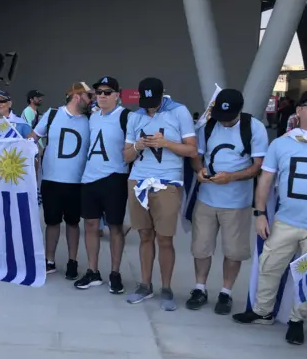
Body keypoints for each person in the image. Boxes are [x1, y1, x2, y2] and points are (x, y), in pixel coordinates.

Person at [233, 89, 307, 345]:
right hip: (286, 221)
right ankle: (261, 311)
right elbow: (266, 180)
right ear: (299, 110)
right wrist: (259, 214)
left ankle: (296, 320)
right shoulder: (281, 144)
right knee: (270, 267)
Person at [187, 89, 268, 314]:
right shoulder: (209, 125)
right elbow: (197, 155)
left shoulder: (254, 128)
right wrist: (199, 171)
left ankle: (226, 292)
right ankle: (199, 288)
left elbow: (258, 166)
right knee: (201, 247)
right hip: (206, 198)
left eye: (229, 118)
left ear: (239, 111)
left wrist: (231, 177)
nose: (224, 122)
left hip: (237, 201)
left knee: (233, 251)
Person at [123, 77, 197, 311]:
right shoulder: (135, 116)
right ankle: (145, 285)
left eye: (153, 101)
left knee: (165, 238)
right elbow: (125, 156)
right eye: (145, 101)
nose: (149, 106)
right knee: (145, 235)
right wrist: (137, 147)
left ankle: (166, 288)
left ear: (162, 95)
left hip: (167, 181)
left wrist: (166, 143)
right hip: (138, 180)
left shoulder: (179, 112)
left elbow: (192, 149)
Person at [30, 82, 91, 279]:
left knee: (73, 222)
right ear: (76, 96)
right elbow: (34, 136)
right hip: (51, 179)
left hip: (77, 181)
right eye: (88, 96)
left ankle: (72, 260)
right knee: (52, 222)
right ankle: (49, 260)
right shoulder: (53, 114)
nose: (92, 100)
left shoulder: (91, 119)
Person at [77, 76, 130, 293]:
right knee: (90, 225)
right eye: (99, 92)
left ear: (117, 95)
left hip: (114, 177)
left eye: (107, 92)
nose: (102, 96)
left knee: (115, 226)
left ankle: (115, 273)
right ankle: (92, 271)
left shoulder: (126, 116)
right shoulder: (92, 117)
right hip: (90, 177)